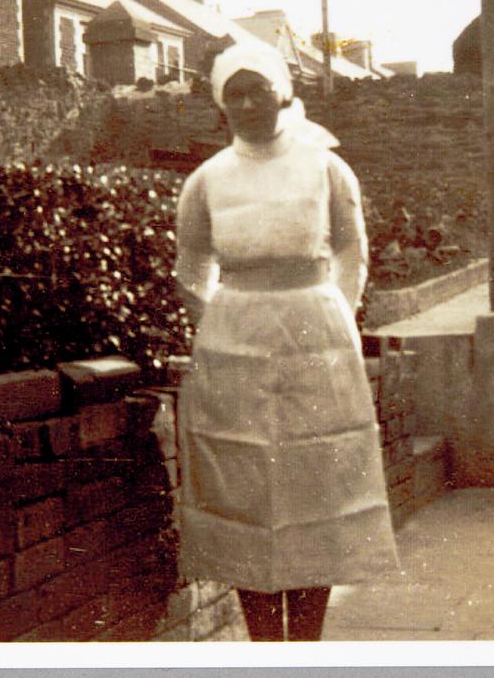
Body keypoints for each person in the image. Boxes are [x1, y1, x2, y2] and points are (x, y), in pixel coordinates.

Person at [174, 43, 400, 642]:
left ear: (283, 91)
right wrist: (219, 321)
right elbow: (191, 264)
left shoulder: (325, 167)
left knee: (316, 485)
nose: (248, 103)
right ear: (221, 104)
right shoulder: (207, 179)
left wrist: (336, 313)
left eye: (259, 89)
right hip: (234, 342)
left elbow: (352, 250)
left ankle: (306, 644)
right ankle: (264, 648)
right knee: (245, 488)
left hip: (314, 334)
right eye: (234, 94)